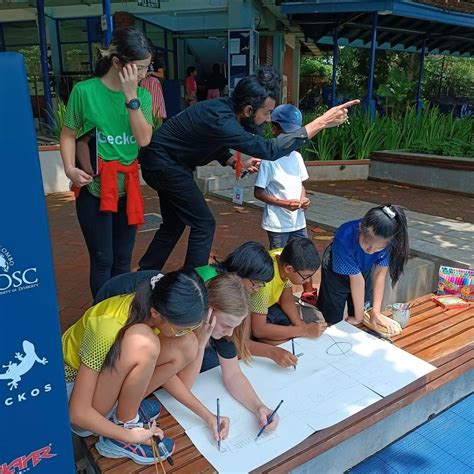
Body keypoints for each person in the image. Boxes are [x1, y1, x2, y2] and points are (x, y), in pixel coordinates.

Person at [138, 66, 359, 272]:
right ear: (248, 110)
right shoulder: (222, 119)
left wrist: (233, 161)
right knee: (204, 223)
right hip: (164, 164)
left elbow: (207, 139)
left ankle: (147, 271)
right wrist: (321, 122)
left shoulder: (224, 112)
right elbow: (269, 150)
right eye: (267, 113)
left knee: (175, 223)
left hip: (164, 162)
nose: (268, 119)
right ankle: (191, 284)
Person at [62, 270, 207, 464]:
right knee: (144, 342)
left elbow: (162, 373)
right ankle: (122, 429)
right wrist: (129, 435)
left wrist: (207, 415)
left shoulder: (152, 306)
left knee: (188, 344)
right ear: (156, 314)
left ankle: (123, 413)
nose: (184, 332)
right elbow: (77, 414)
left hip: (105, 378)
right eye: (181, 329)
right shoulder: (107, 327)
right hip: (74, 391)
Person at [60, 27, 154, 297]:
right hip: (94, 188)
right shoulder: (84, 91)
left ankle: (117, 313)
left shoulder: (142, 96)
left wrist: (131, 97)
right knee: (103, 259)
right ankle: (101, 312)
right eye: (139, 68)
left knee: (123, 259)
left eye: (146, 68)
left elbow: (144, 139)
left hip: (128, 189)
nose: (144, 74)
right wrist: (70, 168)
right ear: (116, 63)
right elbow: (68, 134)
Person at [176, 274, 280, 437]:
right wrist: (201, 343)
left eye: (234, 326)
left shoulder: (226, 330)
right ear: (209, 311)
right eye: (226, 325)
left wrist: (259, 407)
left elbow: (233, 374)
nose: (230, 333)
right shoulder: (182, 327)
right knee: (210, 361)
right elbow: (184, 385)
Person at [254, 103, 318, 309]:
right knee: (280, 260)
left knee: (305, 254)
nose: (292, 139)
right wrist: (283, 204)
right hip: (277, 223)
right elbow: (258, 192)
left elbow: (301, 185)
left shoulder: (296, 157)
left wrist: (303, 199)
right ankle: (278, 296)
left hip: (298, 220)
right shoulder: (269, 159)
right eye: (287, 133)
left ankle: (308, 292)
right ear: (274, 129)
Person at [317, 204, 409, 333]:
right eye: (367, 245)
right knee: (331, 313)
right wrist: (358, 318)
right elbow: (357, 280)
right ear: (361, 229)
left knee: (365, 308)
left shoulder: (391, 240)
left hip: (363, 268)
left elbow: (379, 275)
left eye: (378, 248)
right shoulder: (344, 236)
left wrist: (376, 312)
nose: (370, 251)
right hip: (336, 270)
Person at [93, 241, 274, 304]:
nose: (257, 289)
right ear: (241, 272)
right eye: (256, 283)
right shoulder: (214, 285)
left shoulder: (220, 276)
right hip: (119, 297)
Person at [249, 237, 327, 353]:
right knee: (283, 340)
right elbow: (259, 329)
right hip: (249, 314)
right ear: (288, 269)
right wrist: (304, 331)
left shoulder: (283, 257)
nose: (308, 281)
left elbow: (287, 301)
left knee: (292, 325)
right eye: (306, 276)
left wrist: (300, 325)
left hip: (268, 307)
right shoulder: (264, 284)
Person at [141, 58, 167, 122]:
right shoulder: (142, 60)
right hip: (143, 83)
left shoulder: (156, 62)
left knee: (156, 102)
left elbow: (161, 75)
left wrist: (151, 72)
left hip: (154, 85)